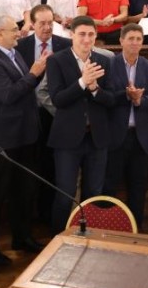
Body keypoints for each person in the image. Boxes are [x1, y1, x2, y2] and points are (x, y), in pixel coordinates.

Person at [0, 15, 45, 265]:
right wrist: (34, 73)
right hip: (1, 140)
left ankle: (21, 237)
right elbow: (8, 94)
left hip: (23, 135)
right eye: (14, 30)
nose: (19, 33)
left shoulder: (12, 53)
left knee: (23, 192)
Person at [45, 16, 119, 231]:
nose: (86, 39)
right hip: (67, 138)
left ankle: (89, 236)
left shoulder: (105, 60)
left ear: (96, 36)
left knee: (94, 193)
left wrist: (95, 89)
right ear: (72, 35)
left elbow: (112, 99)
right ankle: (58, 238)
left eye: (91, 35)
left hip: (97, 138)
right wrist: (82, 83)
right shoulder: (56, 61)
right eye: (82, 34)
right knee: (65, 192)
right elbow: (58, 99)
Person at [16, 4, 72, 223]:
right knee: (31, 166)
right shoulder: (21, 46)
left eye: (51, 23)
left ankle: (49, 215)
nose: (48, 28)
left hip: (56, 114)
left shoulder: (65, 44)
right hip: (29, 114)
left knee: (53, 166)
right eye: (42, 23)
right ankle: (28, 218)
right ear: (32, 23)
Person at [105, 24, 148, 229]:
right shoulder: (109, 64)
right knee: (109, 186)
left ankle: (134, 229)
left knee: (138, 188)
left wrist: (140, 101)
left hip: (142, 138)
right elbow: (106, 98)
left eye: (139, 39)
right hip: (116, 136)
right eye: (131, 38)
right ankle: (109, 229)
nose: (135, 43)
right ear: (121, 41)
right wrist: (126, 95)